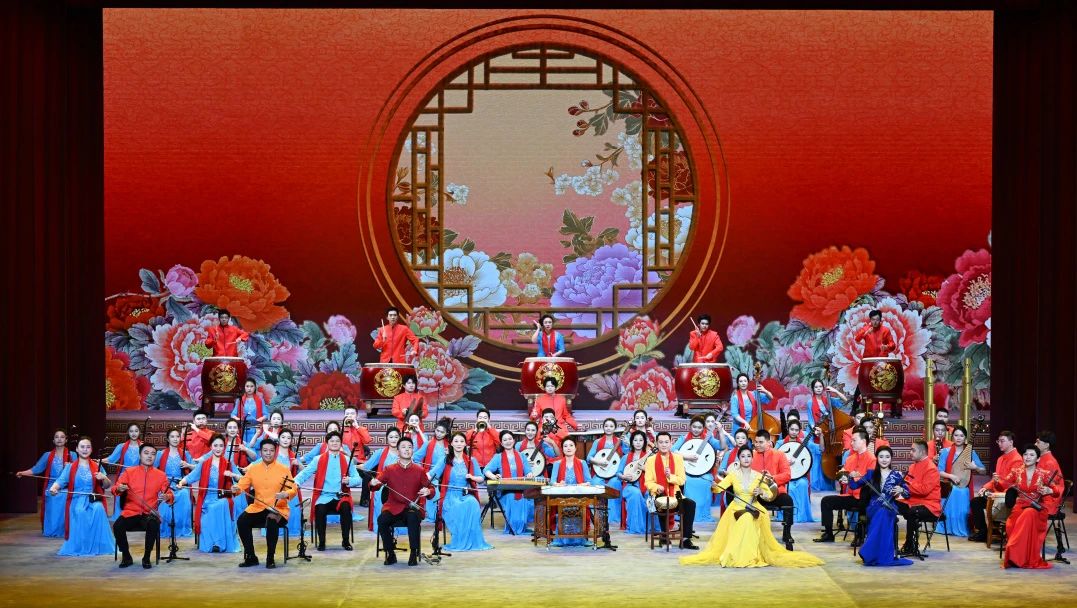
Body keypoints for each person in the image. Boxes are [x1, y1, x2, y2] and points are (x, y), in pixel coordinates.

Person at [681, 445, 824, 568]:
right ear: (739, 459)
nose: (746, 459)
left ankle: (748, 555)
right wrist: (714, 486)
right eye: (743, 456)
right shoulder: (732, 475)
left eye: (749, 456)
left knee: (748, 517)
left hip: (754, 507)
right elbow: (718, 489)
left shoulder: (758, 476)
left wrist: (762, 492)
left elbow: (770, 495)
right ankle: (738, 555)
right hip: (736, 508)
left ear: (752, 458)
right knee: (745, 518)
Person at [992, 444, 1063, 569]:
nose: (1027, 457)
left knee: (1028, 513)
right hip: (1020, 506)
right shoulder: (1016, 471)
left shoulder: (1044, 473)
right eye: (1025, 454)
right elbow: (1004, 484)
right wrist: (997, 481)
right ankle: (1017, 557)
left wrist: (1049, 490)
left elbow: (1057, 491)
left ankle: (1015, 552)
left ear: (1038, 458)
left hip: (1037, 508)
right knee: (1012, 523)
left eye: (1031, 455)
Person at [233, 438, 297, 569]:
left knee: (272, 520)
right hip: (258, 508)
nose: (268, 453)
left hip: (278, 509)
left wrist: (286, 494)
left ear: (275, 452)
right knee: (242, 521)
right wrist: (236, 489)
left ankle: (270, 558)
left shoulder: (283, 469)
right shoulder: (253, 469)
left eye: (271, 450)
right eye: (265, 450)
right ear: (260, 452)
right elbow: (242, 485)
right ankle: (251, 557)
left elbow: (293, 489)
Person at [371, 436, 434, 566]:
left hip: (412, 508)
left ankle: (414, 553)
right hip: (393, 508)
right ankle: (390, 553)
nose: (407, 450)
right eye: (403, 447)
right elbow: (375, 485)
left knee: (412, 517)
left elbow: (431, 488)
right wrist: (373, 483)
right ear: (398, 451)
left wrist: (428, 491)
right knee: (382, 520)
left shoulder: (420, 470)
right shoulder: (389, 469)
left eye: (409, 447)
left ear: (412, 451)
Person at [294, 430, 361, 551]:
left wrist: (349, 480)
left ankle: (345, 541)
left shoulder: (347, 460)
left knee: (346, 509)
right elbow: (305, 473)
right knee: (320, 510)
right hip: (323, 497)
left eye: (337, 441)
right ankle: (322, 541)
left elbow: (358, 479)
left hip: (341, 497)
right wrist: (296, 481)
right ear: (327, 443)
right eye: (332, 441)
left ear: (341, 444)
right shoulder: (318, 459)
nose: (334, 443)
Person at [112, 443, 174, 569]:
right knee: (117, 526)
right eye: (146, 453)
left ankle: (146, 557)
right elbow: (115, 488)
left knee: (153, 524)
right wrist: (119, 488)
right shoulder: (129, 472)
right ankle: (126, 555)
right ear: (140, 455)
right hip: (131, 512)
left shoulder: (161, 475)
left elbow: (169, 493)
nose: (149, 456)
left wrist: (167, 496)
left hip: (149, 514)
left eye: (153, 454)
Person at [49, 437, 114, 556]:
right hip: (77, 500)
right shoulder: (70, 467)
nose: (85, 449)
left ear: (91, 449)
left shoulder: (97, 466)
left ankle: (97, 544)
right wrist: (54, 488)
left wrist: (104, 478)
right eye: (82, 447)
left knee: (99, 508)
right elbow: (60, 481)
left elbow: (107, 485)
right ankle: (82, 545)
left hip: (92, 499)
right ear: (77, 449)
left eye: (88, 447)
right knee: (79, 511)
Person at [847, 446, 911, 566]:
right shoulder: (871, 474)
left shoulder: (896, 475)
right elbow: (854, 486)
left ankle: (869, 552)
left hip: (889, 507)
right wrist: (851, 476)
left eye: (887, 457)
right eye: (881, 457)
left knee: (884, 512)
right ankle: (872, 553)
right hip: (873, 507)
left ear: (891, 458)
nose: (884, 459)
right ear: (877, 458)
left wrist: (901, 489)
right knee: (881, 512)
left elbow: (908, 494)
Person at [178, 434, 241, 553]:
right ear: (211, 447)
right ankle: (213, 543)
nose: (218, 448)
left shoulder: (228, 463)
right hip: (206, 499)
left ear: (224, 447)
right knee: (212, 510)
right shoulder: (204, 463)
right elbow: (191, 477)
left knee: (220, 505)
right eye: (215, 445)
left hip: (223, 497)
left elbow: (240, 479)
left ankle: (219, 543)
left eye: (221, 446)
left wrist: (234, 478)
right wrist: (181, 482)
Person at [429, 432, 492, 552]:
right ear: (451, 444)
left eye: (461, 441)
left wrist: (472, 477)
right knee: (458, 507)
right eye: (456, 441)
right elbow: (432, 474)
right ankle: (459, 540)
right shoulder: (445, 460)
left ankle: (471, 540)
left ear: (465, 444)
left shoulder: (471, 460)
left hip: (464, 494)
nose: (459, 444)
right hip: (449, 496)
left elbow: (481, 478)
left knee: (473, 503)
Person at [816, 430, 876, 543]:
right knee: (826, 501)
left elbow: (869, 479)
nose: (851, 443)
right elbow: (843, 475)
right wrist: (842, 478)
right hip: (851, 495)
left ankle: (860, 536)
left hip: (864, 496)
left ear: (863, 441)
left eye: (854, 440)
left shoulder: (872, 458)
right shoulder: (850, 458)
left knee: (864, 499)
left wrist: (854, 478)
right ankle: (828, 534)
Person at [644, 432, 698, 550]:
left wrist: (670, 477)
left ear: (671, 443)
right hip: (658, 493)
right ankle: (664, 536)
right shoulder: (651, 460)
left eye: (666, 442)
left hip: (676, 493)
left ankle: (685, 539)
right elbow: (648, 482)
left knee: (690, 504)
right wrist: (657, 487)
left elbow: (682, 480)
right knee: (663, 501)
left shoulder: (678, 458)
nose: (664, 445)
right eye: (661, 442)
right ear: (656, 443)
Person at [15, 428, 71, 537]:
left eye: (62, 437)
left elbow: (77, 470)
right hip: (51, 485)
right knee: (53, 495)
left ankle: (65, 529)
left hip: (66, 486)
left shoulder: (72, 455)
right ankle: (53, 530)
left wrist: (70, 467)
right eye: (56, 437)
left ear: (66, 440)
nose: (59, 439)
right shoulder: (47, 455)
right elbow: (36, 469)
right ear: (53, 440)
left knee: (65, 495)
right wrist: (23, 473)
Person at [968, 430, 1021, 542]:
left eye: (1002, 441)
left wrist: (998, 482)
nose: (999, 443)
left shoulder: (1017, 460)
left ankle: (990, 531)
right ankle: (983, 532)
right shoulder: (1000, 459)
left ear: (1011, 442)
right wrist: (985, 487)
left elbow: (1014, 484)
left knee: (978, 502)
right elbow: (994, 479)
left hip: (1006, 496)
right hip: (996, 493)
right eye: (998, 441)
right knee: (975, 502)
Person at [483, 430, 536, 534]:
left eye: (510, 439)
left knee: (526, 498)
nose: (508, 441)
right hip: (505, 491)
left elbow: (528, 471)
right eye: (505, 440)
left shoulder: (521, 456)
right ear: (502, 443)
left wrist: (529, 474)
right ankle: (513, 527)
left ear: (514, 440)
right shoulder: (498, 457)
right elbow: (486, 470)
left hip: (521, 489)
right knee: (512, 496)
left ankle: (520, 526)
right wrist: (493, 476)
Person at [672, 416, 723, 524]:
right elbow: (672, 450)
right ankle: (686, 513)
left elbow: (721, 446)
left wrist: (721, 431)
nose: (696, 429)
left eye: (699, 427)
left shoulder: (708, 438)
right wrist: (686, 456)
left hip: (704, 473)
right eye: (694, 427)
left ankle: (703, 513)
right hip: (687, 472)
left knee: (707, 481)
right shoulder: (684, 438)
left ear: (703, 428)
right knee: (686, 481)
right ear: (690, 427)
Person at [937, 425, 985, 538]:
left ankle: (962, 527)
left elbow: (983, 470)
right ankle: (948, 527)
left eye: (961, 436)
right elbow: (939, 471)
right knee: (954, 491)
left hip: (964, 487)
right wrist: (951, 476)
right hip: (950, 486)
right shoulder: (946, 452)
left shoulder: (971, 453)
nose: (958, 438)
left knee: (962, 492)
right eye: (956, 435)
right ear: (952, 437)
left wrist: (975, 467)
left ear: (965, 438)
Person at [751, 430, 796, 549]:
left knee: (788, 501)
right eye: (756, 442)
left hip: (776, 493)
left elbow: (787, 475)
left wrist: (773, 478)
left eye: (761, 442)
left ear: (768, 442)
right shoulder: (751, 455)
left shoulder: (779, 455)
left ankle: (787, 533)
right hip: (757, 493)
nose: (757, 445)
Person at [897, 440, 942, 557]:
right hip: (913, 501)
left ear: (922, 452)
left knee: (912, 512)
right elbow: (907, 485)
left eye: (913, 450)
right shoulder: (912, 466)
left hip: (930, 506)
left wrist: (906, 486)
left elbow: (924, 490)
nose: (910, 452)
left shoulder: (931, 468)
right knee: (891, 504)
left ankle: (910, 545)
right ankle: (889, 543)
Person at [548, 437, 596, 547]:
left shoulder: (582, 463)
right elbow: (552, 481)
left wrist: (585, 484)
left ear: (575, 448)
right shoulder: (557, 463)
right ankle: (561, 539)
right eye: (565, 446)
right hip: (562, 497)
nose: (568, 448)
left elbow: (589, 481)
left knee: (579, 507)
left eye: (571, 445)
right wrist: (557, 484)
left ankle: (581, 539)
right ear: (562, 449)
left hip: (579, 497)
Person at [154, 428, 194, 539]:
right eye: (172, 437)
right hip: (165, 485)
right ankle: (165, 528)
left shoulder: (185, 454)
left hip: (180, 484)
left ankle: (181, 528)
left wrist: (188, 465)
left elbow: (197, 469)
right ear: (167, 439)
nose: (175, 439)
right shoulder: (161, 454)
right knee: (164, 496)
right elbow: (153, 470)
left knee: (184, 494)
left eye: (177, 436)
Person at [775, 420, 817, 524]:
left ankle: (801, 515)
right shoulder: (780, 443)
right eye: (792, 429)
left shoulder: (804, 442)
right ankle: (788, 515)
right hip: (785, 476)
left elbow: (820, 449)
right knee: (789, 487)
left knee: (803, 484)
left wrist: (821, 436)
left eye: (796, 430)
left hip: (800, 475)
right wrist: (784, 461)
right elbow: (774, 457)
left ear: (799, 431)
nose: (794, 432)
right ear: (788, 429)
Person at [588, 417, 627, 524]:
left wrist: (626, 442)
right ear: (603, 427)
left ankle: (613, 518)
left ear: (615, 428)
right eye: (606, 426)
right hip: (600, 473)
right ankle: (597, 517)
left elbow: (627, 454)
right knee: (595, 483)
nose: (608, 428)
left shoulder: (619, 441)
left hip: (614, 474)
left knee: (615, 484)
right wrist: (599, 462)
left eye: (611, 426)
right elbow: (589, 457)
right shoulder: (597, 442)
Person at [363, 428, 401, 531]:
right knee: (379, 495)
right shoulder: (380, 452)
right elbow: (366, 467)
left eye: (396, 437)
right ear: (387, 439)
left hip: (399, 487)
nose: (394, 439)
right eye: (391, 437)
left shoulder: (404, 452)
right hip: (383, 486)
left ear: (400, 438)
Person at [104, 422, 144, 521]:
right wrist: (99, 460)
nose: (133, 433)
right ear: (128, 433)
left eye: (136, 431)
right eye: (131, 431)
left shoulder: (143, 447)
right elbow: (111, 459)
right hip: (124, 476)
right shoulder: (121, 446)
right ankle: (120, 516)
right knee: (119, 491)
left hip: (138, 476)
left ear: (139, 432)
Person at [616, 431, 651, 534]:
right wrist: (623, 476)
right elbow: (618, 473)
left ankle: (649, 527)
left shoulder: (649, 457)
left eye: (641, 440)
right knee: (635, 494)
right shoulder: (626, 457)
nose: (638, 442)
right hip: (630, 486)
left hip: (646, 485)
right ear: (631, 442)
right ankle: (635, 527)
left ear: (644, 442)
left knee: (650, 495)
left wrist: (644, 468)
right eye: (635, 440)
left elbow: (655, 473)